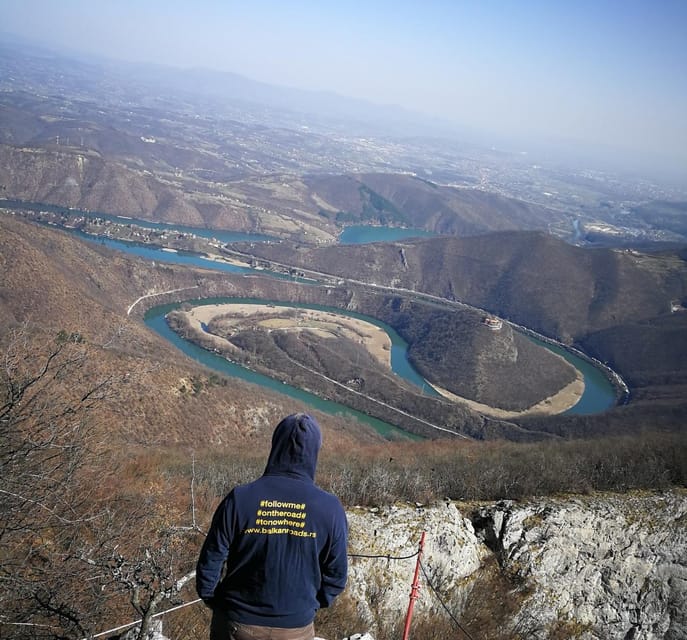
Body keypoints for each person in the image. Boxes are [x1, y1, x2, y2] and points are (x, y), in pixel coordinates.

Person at [196, 413, 348, 640]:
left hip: (236, 623)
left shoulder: (240, 498)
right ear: (314, 452)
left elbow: (211, 559)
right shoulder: (331, 509)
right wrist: (310, 606)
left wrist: (215, 600)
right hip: (295, 629)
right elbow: (336, 576)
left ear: (275, 445)